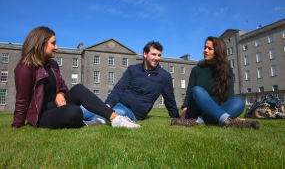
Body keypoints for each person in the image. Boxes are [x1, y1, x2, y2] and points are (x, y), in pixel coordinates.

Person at [11, 26, 140, 129]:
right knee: (74, 111)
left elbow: (63, 86)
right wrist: (17, 126)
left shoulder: (53, 65)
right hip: (41, 115)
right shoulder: (24, 68)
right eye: (53, 43)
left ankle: (116, 119)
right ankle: (88, 122)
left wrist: (60, 93)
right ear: (40, 44)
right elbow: (22, 100)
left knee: (78, 88)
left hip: (56, 105)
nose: (56, 47)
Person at [171, 36, 259, 129]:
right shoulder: (196, 70)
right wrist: (183, 118)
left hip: (218, 110)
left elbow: (229, 97)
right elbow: (189, 95)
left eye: (210, 49)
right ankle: (228, 121)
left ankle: (198, 121)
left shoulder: (227, 70)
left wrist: (233, 115)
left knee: (239, 102)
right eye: (205, 47)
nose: (205, 51)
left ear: (218, 51)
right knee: (197, 90)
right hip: (196, 111)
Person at [81, 41, 179, 123]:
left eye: (159, 55)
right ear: (145, 54)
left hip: (132, 112)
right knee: (84, 109)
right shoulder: (133, 69)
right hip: (117, 102)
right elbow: (119, 88)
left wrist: (176, 117)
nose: (157, 58)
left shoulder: (165, 76)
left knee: (109, 116)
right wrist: (109, 104)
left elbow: (169, 98)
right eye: (154, 54)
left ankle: (85, 122)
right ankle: (70, 114)